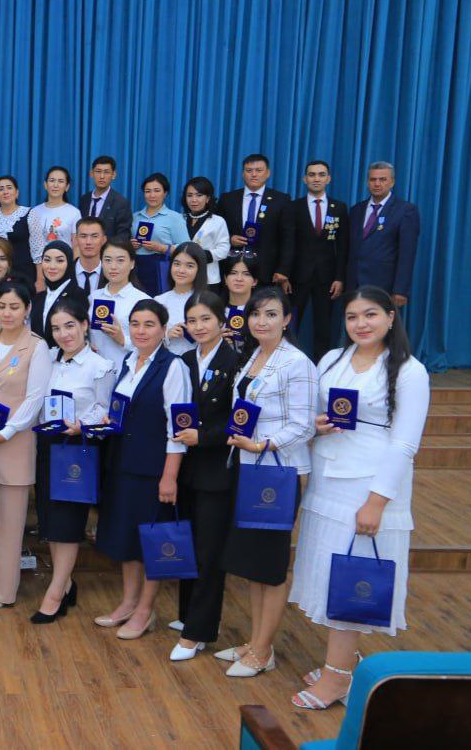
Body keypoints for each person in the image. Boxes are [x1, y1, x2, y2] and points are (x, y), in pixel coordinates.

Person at [287, 287, 428, 708]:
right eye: (352, 316)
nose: (361, 324)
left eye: (370, 315)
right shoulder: (332, 358)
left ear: (390, 317)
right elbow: (313, 412)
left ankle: (338, 678)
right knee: (331, 572)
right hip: (328, 477)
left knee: (353, 578)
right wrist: (316, 425)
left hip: (367, 484)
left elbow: (405, 444)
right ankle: (345, 662)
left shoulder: (410, 371)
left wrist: (377, 501)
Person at [217, 287, 317, 677]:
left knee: (271, 564)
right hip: (249, 467)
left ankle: (263, 650)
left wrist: (261, 444)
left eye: (271, 314)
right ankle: (256, 642)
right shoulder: (254, 356)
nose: (262, 321)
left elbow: (304, 425)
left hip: (279, 471)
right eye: (256, 314)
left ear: (287, 320)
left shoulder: (297, 363)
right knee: (254, 562)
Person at [93, 300, 190, 639]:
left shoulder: (173, 367)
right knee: (127, 537)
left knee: (151, 541)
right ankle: (128, 603)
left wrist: (169, 476)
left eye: (149, 324)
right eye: (135, 324)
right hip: (122, 463)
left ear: (164, 329)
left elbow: (177, 429)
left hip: (153, 469)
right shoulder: (127, 361)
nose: (140, 331)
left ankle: (145, 611)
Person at [0, 280, 52, 610]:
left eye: (14, 307)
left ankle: (2, 591)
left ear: (27, 309)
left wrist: (8, 430)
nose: (7, 313)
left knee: (8, 521)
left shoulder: (36, 347)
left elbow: (35, 399)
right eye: (2, 306)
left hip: (14, 441)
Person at [31, 299, 116, 624]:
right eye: (56, 328)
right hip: (47, 445)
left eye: (69, 325)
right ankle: (65, 584)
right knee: (51, 521)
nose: (63, 334)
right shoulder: (48, 359)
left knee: (68, 523)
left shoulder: (100, 365)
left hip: (78, 447)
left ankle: (54, 594)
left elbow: (104, 409)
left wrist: (83, 425)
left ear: (84, 325)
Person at [169, 291, 241, 661]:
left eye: (206, 319)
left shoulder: (236, 362)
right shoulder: (184, 360)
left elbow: (240, 420)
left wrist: (205, 437)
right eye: (192, 320)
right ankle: (187, 616)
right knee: (188, 542)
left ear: (221, 320)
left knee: (209, 551)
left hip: (217, 468)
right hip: (186, 467)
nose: (198, 327)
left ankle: (198, 631)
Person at [279, 160, 349, 359]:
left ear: (328, 178)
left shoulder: (339, 208)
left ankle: (322, 366)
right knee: (290, 323)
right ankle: (285, 362)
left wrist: (339, 278)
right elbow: (287, 243)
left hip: (327, 278)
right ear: (305, 179)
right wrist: (284, 275)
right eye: (312, 175)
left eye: (321, 174)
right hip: (297, 277)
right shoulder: (294, 207)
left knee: (324, 326)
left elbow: (343, 247)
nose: (316, 179)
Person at [346, 161, 419, 308]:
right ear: (367, 182)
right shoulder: (356, 210)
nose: (377, 184)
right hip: (353, 285)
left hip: (384, 286)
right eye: (373, 179)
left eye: (383, 179)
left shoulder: (405, 211)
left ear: (392, 182)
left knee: (380, 322)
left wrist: (400, 290)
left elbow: (407, 254)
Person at [215, 154, 293, 290]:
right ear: (243, 174)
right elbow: (216, 230)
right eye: (249, 170)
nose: (254, 174)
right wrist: (229, 239)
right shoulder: (227, 199)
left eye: (259, 170)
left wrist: (283, 269)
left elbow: (288, 238)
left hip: (267, 271)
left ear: (268, 173)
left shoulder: (281, 200)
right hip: (232, 268)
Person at [88, 239, 150, 366]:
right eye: (107, 260)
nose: (113, 266)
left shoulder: (143, 301)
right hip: (93, 370)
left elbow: (152, 345)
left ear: (132, 263)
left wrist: (122, 340)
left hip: (126, 371)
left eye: (120, 260)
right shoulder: (93, 297)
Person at [131, 172, 190, 296]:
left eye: (157, 191)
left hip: (160, 267)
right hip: (135, 267)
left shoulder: (175, 217)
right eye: (147, 191)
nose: (152, 195)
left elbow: (186, 249)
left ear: (165, 193)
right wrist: (130, 245)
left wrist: (161, 248)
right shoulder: (135, 217)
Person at [155, 242, 210, 357]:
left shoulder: (208, 303)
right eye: (177, 264)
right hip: (165, 363)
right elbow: (147, 340)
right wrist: (167, 336)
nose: (181, 270)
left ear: (199, 269)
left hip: (197, 364)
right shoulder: (159, 301)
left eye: (189, 266)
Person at [30, 241, 87, 346]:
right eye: (47, 260)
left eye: (59, 260)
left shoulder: (77, 294)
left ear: (69, 264)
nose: (52, 266)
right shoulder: (38, 298)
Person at [28, 165, 82, 272]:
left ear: (67, 187)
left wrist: (74, 270)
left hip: (64, 267)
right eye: (52, 180)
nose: (55, 185)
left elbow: (76, 247)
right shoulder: (34, 212)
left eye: (60, 181)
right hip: (39, 268)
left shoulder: (74, 213)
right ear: (45, 184)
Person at [183, 177, 230, 286]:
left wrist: (201, 255)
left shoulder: (218, 221)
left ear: (208, 198)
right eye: (189, 195)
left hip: (208, 278)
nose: (194, 200)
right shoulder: (180, 219)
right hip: (182, 276)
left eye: (199, 195)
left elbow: (224, 250)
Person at [0, 175, 36, 282]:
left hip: (24, 274)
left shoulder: (29, 213)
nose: (5, 192)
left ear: (17, 193)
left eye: (9, 188)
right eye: (1, 189)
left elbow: (38, 249)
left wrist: (40, 279)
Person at [77, 155, 133, 239]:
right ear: (91, 174)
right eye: (98, 171)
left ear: (113, 175)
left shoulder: (121, 203)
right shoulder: (84, 199)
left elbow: (123, 235)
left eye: (106, 172)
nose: (102, 176)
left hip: (109, 247)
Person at [220, 257, 259, 354]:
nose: (239, 279)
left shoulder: (261, 313)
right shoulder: (214, 309)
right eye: (233, 273)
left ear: (255, 281)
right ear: (225, 278)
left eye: (246, 274)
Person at [72, 217, 107, 294]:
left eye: (94, 236)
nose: (88, 242)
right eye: (83, 236)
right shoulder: (65, 272)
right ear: (76, 239)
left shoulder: (112, 274)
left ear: (104, 240)